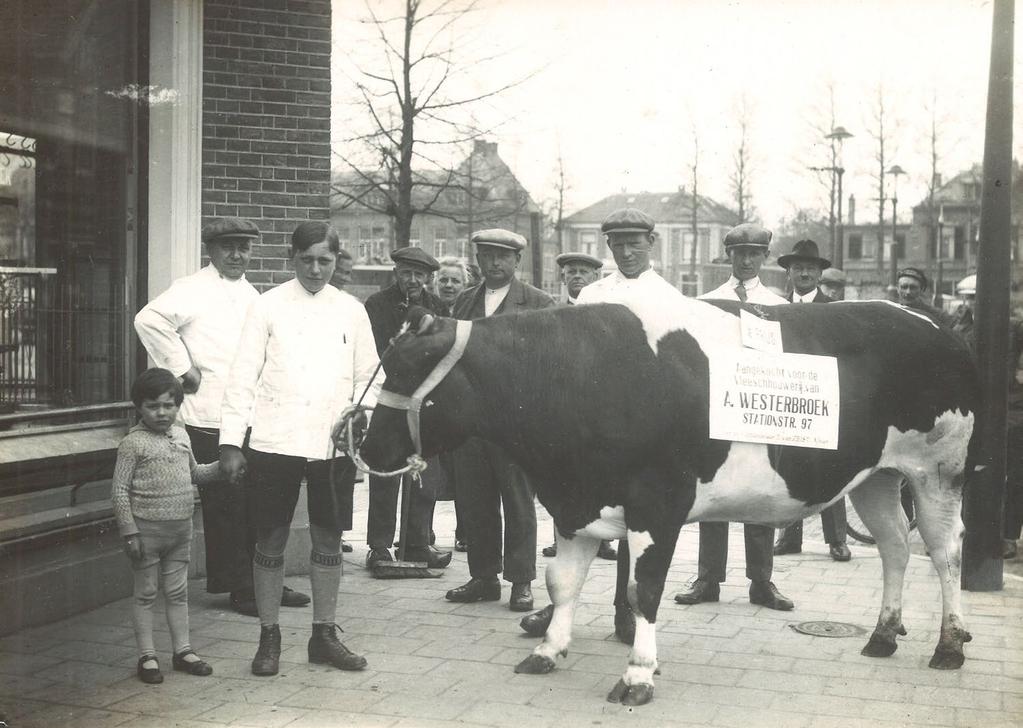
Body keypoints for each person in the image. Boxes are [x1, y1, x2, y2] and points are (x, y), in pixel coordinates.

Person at [219, 221, 378, 676]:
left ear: (336, 261)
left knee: (329, 536)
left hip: (333, 444)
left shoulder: (352, 310)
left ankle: (324, 635)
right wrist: (231, 442)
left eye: (324, 260)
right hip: (274, 440)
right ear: (292, 259)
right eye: (306, 260)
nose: (315, 269)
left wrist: (362, 412)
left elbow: (371, 376)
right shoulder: (266, 307)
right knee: (270, 535)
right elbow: (242, 377)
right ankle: (269, 636)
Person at [133, 217, 309, 617]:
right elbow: (148, 319)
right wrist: (182, 368)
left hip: (248, 415)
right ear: (210, 250)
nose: (237, 254)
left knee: (257, 502)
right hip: (209, 415)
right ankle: (240, 589)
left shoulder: (250, 293)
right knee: (228, 505)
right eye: (228, 246)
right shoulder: (193, 288)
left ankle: (266, 582)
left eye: (244, 246)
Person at [521, 208, 676, 638]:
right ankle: (558, 610)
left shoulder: (669, 298)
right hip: (589, 427)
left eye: (635, 243)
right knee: (573, 514)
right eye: (618, 244)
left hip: (643, 428)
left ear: (651, 243)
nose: (626, 252)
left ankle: (625, 612)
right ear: (608, 246)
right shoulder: (591, 296)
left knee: (635, 522)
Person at [675, 222, 795, 611]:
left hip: (760, 410)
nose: (746, 260)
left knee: (760, 490)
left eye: (754, 254)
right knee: (715, 491)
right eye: (739, 253)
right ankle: (708, 578)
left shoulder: (780, 306)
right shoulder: (706, 302)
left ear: (765, 257)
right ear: (728, 255)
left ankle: (762, 581)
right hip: (717, 408)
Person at [446, 228, 555, 612]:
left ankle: (521, 580)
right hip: (471, 420)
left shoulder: (539, 303)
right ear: (477, 258)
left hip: (516, 422)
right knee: (475, 500)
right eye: (487, 255)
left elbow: (549, 365)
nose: (494, 263)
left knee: (518, 501)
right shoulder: (462, 302)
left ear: (516, 261)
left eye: (502, 257)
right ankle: (483, 576)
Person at [112, 368, 222, 684]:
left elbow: (195, 474)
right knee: (146, 593)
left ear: (178, 405)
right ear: (139, 408)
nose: (162, 412)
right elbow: (119, 490)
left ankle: (183, 651)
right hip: (146, 533)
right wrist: (129, 531)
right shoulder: (133, 444)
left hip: (180, 531)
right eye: (153, 406)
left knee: (177, 593)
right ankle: (147, 656)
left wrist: (222, 468)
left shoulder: (182, 436)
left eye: (169, 405)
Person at [363, 247, 451, 570]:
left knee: (424, 473)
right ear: (396, 272)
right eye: (406, 273)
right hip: (390, 399)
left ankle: (416, 543)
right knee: (385, 471)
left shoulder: (439, 307)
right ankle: (380, 547)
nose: (412, 280)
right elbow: (377, 352)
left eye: (419, 274)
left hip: (426, 403)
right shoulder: (377, 305)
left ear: (429, 277)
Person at [772, 239, 851, 562]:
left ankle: (837, 539)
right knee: (789, 464)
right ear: (789, 273)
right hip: (789, 396)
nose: (804, 273)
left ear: (820, 275)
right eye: (798, 268)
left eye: (810, 268)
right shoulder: (777, 307)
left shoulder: (833, 310)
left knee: (830, 465)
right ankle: (789, 536)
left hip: (823, 395)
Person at [540, 251, 617, 562]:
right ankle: (563, 536)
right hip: (562, 408)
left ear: (595, 278)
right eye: (571, 271)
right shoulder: (551, 313)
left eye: (584, 271)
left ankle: (605, 539)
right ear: (562, 277)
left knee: (602, 473)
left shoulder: (606, 316)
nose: (577, 276)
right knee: (562, 474)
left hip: (599, 408)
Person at [433, 257, 469, 552]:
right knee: (431, 469)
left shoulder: (470, 312)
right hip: (433, 402)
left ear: (464, 285)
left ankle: (465, 531)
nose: (448, 285)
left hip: (463, 403)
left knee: (464, 471)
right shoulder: (429, 311)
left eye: (455, 280)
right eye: (443, 279)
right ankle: (424, 533)